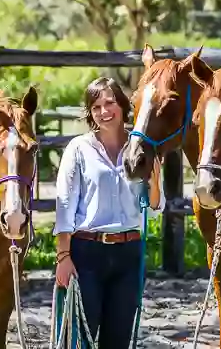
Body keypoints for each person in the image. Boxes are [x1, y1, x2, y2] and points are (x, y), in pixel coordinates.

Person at [53, 76, 165, 348]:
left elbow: (153, 206)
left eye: (110, 103)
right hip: (86, 254)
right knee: (81, 337)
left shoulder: (140, 149)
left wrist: (156, 179)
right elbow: (65, 206)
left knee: (118, 339)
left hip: (129, 253)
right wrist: (63, 256)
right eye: (96, 107)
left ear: (122, 105)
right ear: (90, 113)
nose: (104, 111)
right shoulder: (78, 149)